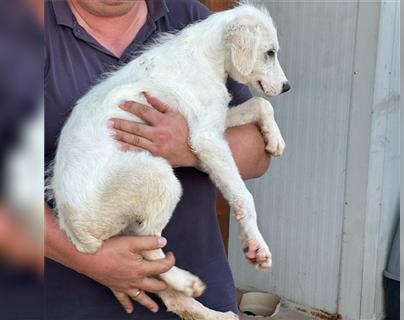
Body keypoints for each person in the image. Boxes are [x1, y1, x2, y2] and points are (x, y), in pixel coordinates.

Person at [45, 0, 271, 319]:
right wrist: (90, 260)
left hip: (201, 290)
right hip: (63, 303)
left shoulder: (191, 19)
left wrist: (188, 147)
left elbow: (257, 156)